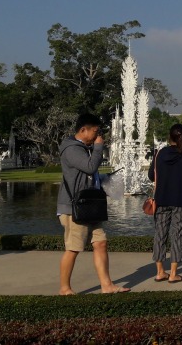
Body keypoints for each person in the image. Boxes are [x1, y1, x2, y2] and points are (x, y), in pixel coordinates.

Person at [56, 113, 129, 295]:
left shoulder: (83, 148)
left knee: (100, 243)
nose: (97, 136)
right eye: (95, 132)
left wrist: (104, 180)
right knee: (73, 248)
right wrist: (98, 148)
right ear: (83, 130)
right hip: (75, 207)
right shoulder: (71, 148)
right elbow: (90, 167)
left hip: (90, 205)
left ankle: (107, 285)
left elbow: (88, 174)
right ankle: (65, 288)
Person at [148, 123, 182, 282]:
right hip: (181, 200)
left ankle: (160, 271)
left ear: (169, 137)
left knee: (160, 234)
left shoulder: (159, 155)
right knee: (177, 235)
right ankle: (173, 273)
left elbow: (151, 176)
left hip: (162, 199)